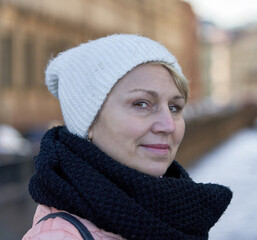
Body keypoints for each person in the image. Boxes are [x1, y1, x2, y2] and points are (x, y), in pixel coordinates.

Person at [22, 34, 232, 240]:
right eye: (141, 104)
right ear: (89, 121)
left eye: (175, 107)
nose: (168, 125)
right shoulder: (58, 235)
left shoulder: (177, 212)